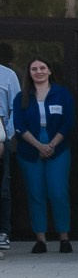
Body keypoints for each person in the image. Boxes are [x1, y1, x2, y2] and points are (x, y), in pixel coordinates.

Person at [13, 58, 74, 253]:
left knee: (58, 192)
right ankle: (41, 239)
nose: (38, 72)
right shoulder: (21, 96)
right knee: (35, 193)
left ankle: (64, 237)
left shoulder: (62, 94)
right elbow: (19, 125)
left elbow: (68, 122)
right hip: (30, 147)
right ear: (29, 73)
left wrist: (52, 144)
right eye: (34, 69)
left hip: (58, 147)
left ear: (49, 71)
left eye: (42, 68)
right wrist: (39, 146)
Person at [0, 46, 17, 253]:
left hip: (1, 136)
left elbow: (16, 108)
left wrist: (6, 137)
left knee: (3, 188)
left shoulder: (8, 75)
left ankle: (3, 232)